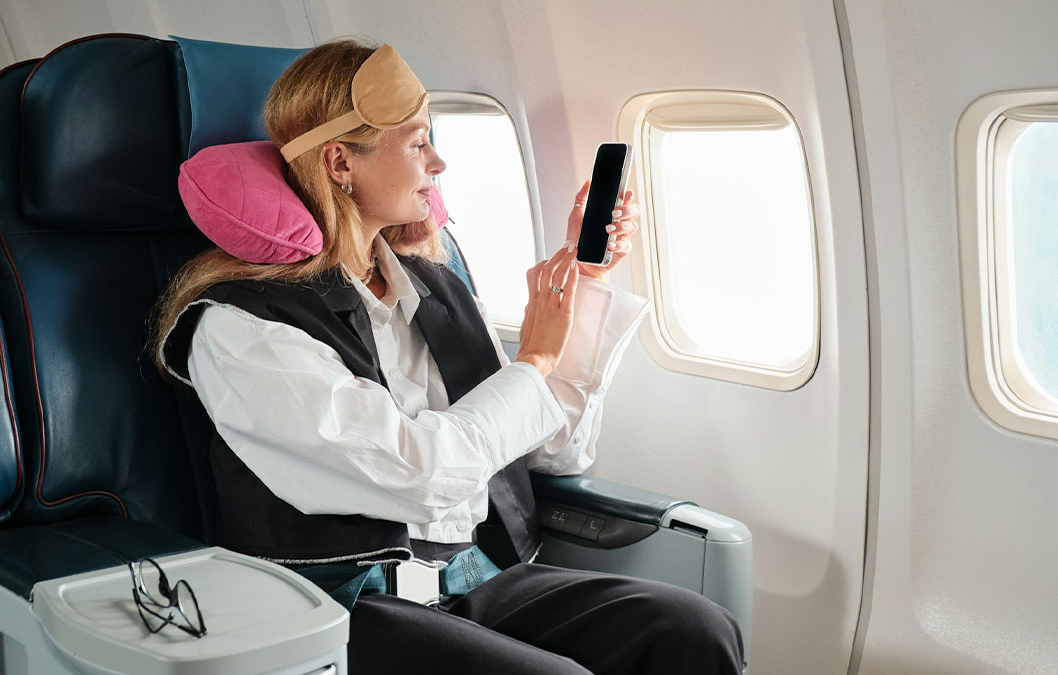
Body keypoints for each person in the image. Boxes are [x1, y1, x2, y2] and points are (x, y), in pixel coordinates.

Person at [152, 39, 742, 675]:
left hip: (474, 580)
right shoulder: (245, 327)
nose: (438, 161)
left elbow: (552, 451)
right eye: (417, 143)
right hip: (341, 606)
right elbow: (422, 473)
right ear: (340, 161)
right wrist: (533, 362)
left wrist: (583, 282)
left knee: (694, 628)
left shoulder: (436, 285)